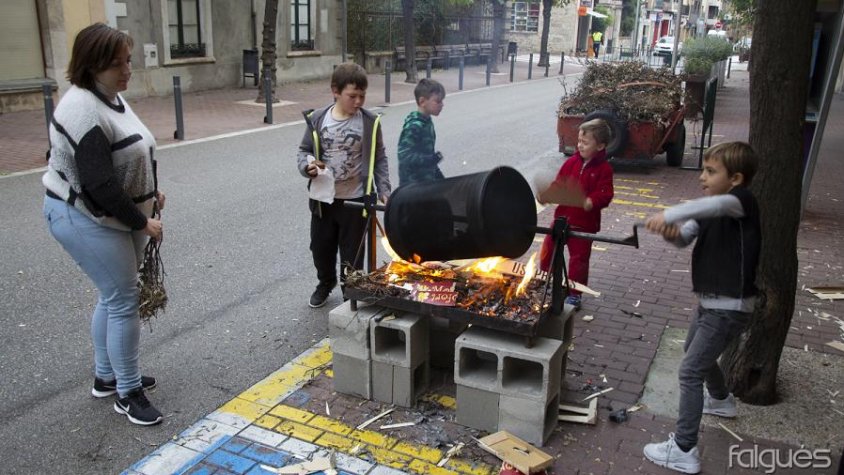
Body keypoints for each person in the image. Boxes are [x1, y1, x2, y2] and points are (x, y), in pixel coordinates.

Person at [42, 23, 164, 426]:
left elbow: (132, 152)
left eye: (127, 60)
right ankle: (128, 393)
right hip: (83, 215)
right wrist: (142, 221)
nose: (128, 69)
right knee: (123, 299)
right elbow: (98, 186)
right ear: (92, 65)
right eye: (118, 64)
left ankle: (106, 376)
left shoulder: (109, 96)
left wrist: (151, 193)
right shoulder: (81, 109)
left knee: (112, 296)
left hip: (111, 214)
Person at [642, 142, 761, 474]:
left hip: (729, 308)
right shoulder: (710, 209)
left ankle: (683, 449)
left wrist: (669, 213)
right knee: (696, 355)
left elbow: (708, 207)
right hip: (710, 305)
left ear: (736, 178)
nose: (702, 177)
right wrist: (669, 232)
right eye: (704, 170)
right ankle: (721, 401)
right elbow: (683, 238)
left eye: (711, 171)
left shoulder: (740, 202)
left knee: (690, 371)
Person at [297, 62, 391, 308]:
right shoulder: (318, 120)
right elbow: (304, 151)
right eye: (352, 96)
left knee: (353, 253)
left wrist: (384, 189)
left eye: (362, 96)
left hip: (356, 200)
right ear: (335, 91)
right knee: (321, 248)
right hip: (323, 200)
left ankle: (350, 289)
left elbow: (379, 157)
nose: (358, 101)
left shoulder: (370, 122)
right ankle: (325, 283)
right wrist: (306, 168)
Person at [538, 118, 614, 310]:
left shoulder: (604, 169)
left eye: (585, 143)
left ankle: (574, 293)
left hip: (584, 224)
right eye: (579, 141)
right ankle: (545, 282)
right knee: (548, 251)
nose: (580, 145)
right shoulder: (571, 162)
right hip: (562, 219)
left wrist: (592, 201)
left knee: (578, 261)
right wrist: (547, 195)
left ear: (601, 145)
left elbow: (605, 193)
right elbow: (559, 184)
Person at [397, 79, 446, 186]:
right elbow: (404, 157)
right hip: (412, 187)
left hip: (427, 183)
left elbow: (427, 154)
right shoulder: (414, 126)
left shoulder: (427, 122)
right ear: (422, 101)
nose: (442, 105)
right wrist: (430, 159)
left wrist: (440, 179)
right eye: (438, 101)